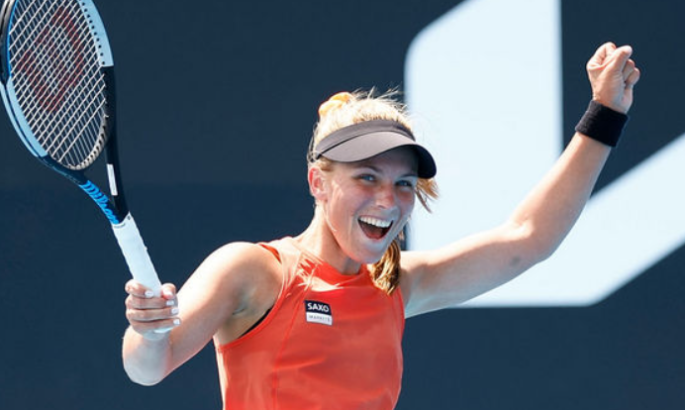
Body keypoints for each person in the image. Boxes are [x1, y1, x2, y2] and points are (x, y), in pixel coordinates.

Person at [122, 42, 640, 409]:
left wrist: (606, 114)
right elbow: (148, 367)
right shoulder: (252, 271)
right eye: (367, 178)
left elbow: (528, 238)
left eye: (403, 184)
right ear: (318, 183)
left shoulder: (398, 285)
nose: (387, 201)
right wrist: (149, 331)